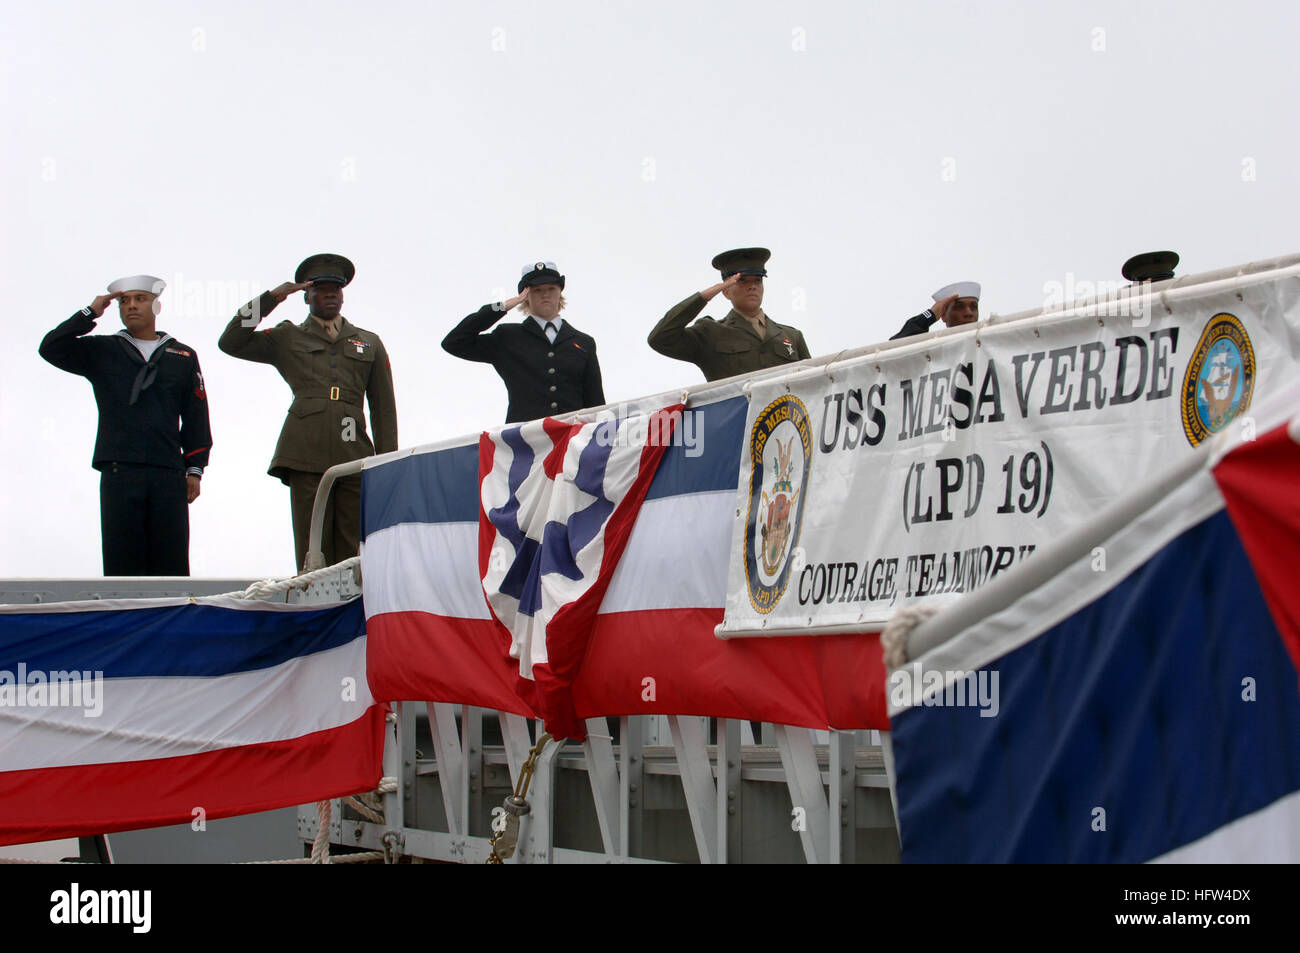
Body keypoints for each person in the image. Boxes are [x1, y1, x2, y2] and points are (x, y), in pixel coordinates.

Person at [219, 254, 397, 571]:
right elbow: (231, 340)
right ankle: (313, 613)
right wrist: (272, 298)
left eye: (336, 289)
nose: (330, 294)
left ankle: (349, 613)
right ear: (306, 296)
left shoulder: (368, 342)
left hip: (353, 451)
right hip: (304, 450)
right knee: (310, 549)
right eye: (321, 289)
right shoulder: (288, 337)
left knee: (353, 552)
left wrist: (387, 464)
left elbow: (384, 410)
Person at [39, 275, 211, 576]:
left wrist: (194, 468)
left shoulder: (182, 355)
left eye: (140, 299)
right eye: (124, 301)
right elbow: (51, 348)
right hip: (120, 470)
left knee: (170, 567)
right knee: (122, 568)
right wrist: (91, 312)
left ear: (155, 304)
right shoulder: (104, 350)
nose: (131, 306)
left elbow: (196, 414)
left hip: (168, 473)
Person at [442, 260, 605, 423]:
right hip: (525, 441)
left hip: (572, 440)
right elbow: (455, 342)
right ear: (525, 296)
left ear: (560, 292)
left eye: (551, 288)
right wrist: (503, 306)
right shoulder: (507, 337)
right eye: (537, 290)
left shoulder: (583, 343)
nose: (545, 294)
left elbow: (596, 404)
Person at [649, 247, 811, 382]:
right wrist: (705, 296)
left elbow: (815, 383)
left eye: (758, 281)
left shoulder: (791, 336)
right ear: (726, 291)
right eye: (743, 281)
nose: (752, 286)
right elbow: (660, 338)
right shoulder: (710, 333)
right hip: (737, 418)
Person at [890, 281, 981, 339]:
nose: (968, 313)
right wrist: (930, 314)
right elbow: (895, 347)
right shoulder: (936, 350)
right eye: (959, 307)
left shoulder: (989, 345)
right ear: (944, 315)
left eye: (973, 307)